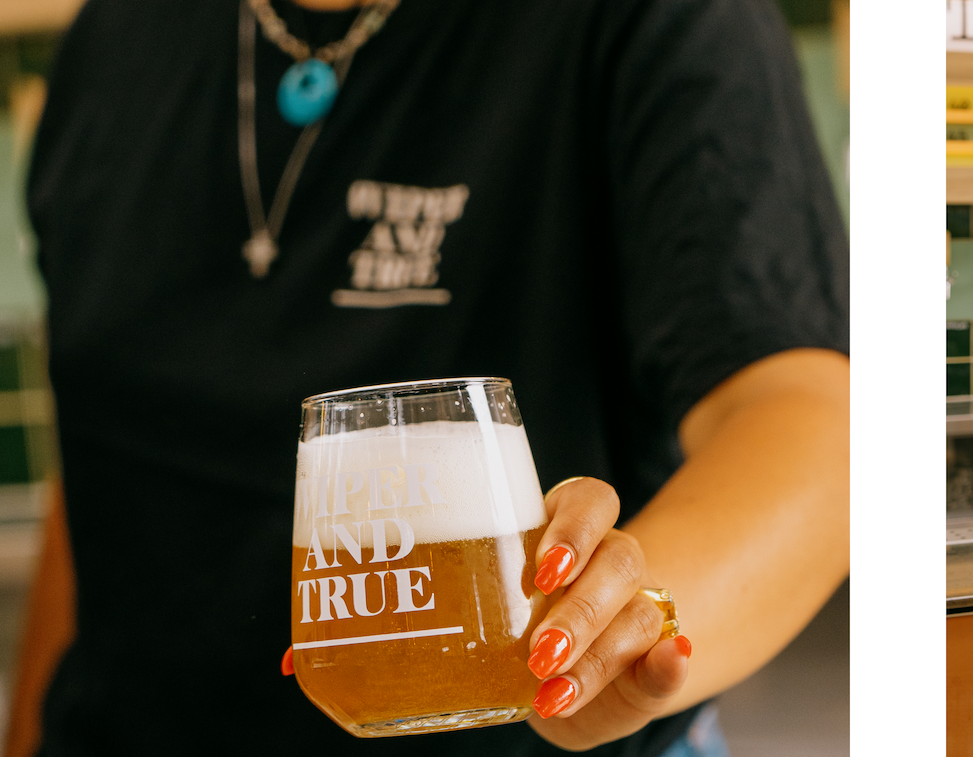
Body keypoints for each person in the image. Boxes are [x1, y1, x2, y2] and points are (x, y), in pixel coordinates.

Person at [13, 0, 848, 754]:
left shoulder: (648, 20)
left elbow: (815, 424)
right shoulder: (113, 37)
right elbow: (100, 466)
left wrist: (603, 632)